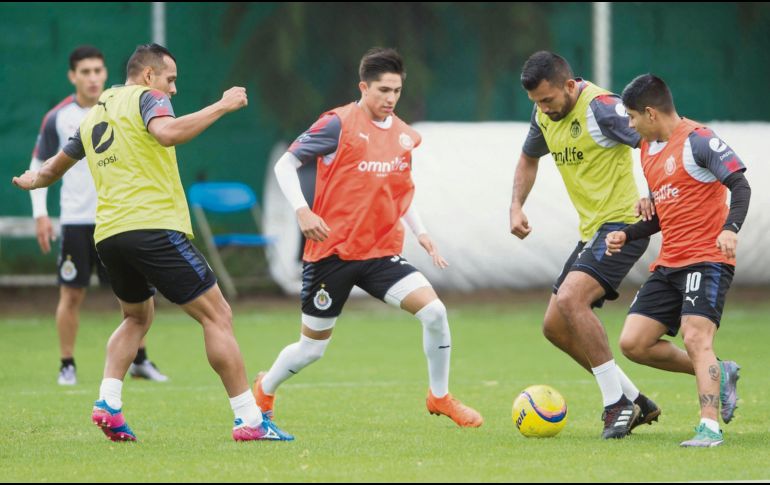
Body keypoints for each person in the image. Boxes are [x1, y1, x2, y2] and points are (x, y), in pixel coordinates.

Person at [12, 43, 292, 442]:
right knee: (217, 315)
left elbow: (52, 169)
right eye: (170, 79)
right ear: (148, 76)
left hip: (109, 235)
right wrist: (222, 105)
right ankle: (249, 419)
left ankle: (108, 403)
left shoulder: (95, 114)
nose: (173, 89)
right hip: (153, 228)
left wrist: (30, 180)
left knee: (137, 318)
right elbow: (167, 133)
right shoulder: (149, 98)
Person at [253, 47, 483, 428]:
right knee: (311, 350)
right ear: (363, 87)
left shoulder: (405, 136)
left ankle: (439, 396)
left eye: (396, 91)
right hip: (332, 255)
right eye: (382, 91)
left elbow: (401, 193)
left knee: (435, 312)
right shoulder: (337, 124)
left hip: (379, 254)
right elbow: (286, 164)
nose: (390, 99)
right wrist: (302, 210)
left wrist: (421, 233)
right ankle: (266, 387)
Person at [509, 51, 659, 439]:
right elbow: (528, 157)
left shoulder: (604, 110)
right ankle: (634, 400)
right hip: (593, 231)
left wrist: (654, 194)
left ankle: (615, 404)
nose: (543, 109)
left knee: (572, 298)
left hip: (624, 225)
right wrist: (515, 205)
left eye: (548, 99)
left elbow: (653, 141)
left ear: (570, 85)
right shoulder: (544, 115)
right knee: (555, 327)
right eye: (536, 103)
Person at [606, 73, 749, 447]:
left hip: (707, 259)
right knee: (634, 343)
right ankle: (723, 371)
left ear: (651, 113)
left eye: (633, 117)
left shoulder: (699, 140)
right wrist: (629, 232)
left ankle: (709, 428)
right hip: (669, 263)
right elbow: (664, 212)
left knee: (696, 336)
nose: (630, 124)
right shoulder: (646, 149)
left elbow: (740, 183)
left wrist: (731, 227)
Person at [29, 45, 167, 386]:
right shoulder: (59, 117)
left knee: (136, 294)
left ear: (106, 73)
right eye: (85, 72)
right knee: (71, 294)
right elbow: (40, 164)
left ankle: (140, 361)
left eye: (97, 71)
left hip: (119, 218)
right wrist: (40, 214)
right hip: (76, 221)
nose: (92, 78)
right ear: (72, 76)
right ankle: (67, 365)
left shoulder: (123, 105)